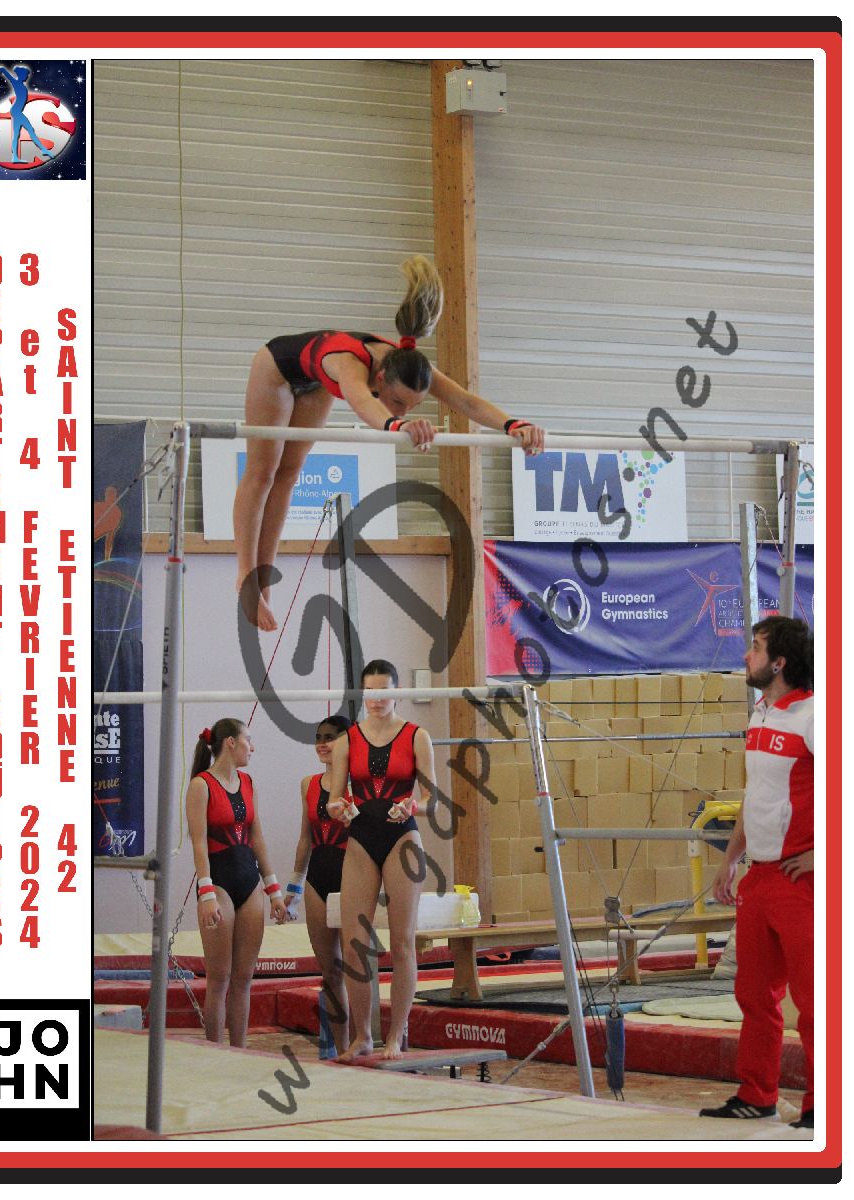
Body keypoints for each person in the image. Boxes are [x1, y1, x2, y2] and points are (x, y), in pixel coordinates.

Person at [233, 255, 547, 629]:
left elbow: (466, 401)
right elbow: (363, 402)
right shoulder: (350, 364)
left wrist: (513, 424)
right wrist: (397, 424)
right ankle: (245, 576)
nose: (402, 408)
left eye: (412, 405)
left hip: (316, 383)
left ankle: (263, 581)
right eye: (397, 401)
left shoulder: (412, 367)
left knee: (288, 474)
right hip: (277, 370)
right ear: (380, 377)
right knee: (263, 472)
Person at [699, 617, 814, 1128]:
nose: (747, 655)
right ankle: (757, 1093)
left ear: (779, 661)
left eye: (756, 647)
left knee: (814, 1000)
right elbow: (756, 795)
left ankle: (825, 1103)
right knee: (753, 995)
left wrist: (826, 854)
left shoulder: (816, 716)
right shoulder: (762, 712)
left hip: (803, 881)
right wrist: (730, 857)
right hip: (761, 875)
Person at [326, 659, 435, 1060]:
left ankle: (396, 1034)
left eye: (384, 692)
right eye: (369, 692)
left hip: (402, 838)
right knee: (354, 942)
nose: (376, 700)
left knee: (402, 941)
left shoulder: (416, 736)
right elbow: (335, 797)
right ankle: (363, 1036)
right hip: (361, 838)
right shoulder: (347, 741)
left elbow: (432, 799)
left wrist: (413, 806)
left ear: (397, 692)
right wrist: (338, 809)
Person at [185, 718, 286, 1046]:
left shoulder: (248, 782)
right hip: (219, 884)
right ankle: (216, 1055)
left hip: (249, 881)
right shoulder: (201, 785)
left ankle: (239, 1053)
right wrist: (206, 894)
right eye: (248, 740)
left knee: (243, 979)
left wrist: (274, 890)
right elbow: (199, 843)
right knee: (219, 979)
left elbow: (257, 838)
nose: (252, 747)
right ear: (230, 742)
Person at [284, 715, 353, 1054]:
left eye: (331, 738)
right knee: (330, 972)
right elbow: (305, 838)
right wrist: (293, 889)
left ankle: (361, 1042)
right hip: (318, 876)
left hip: (352, 874)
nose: (323, 744)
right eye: (318, 738)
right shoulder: (308, 784)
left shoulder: (359, 784)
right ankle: (341, 1049)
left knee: (355, 967)